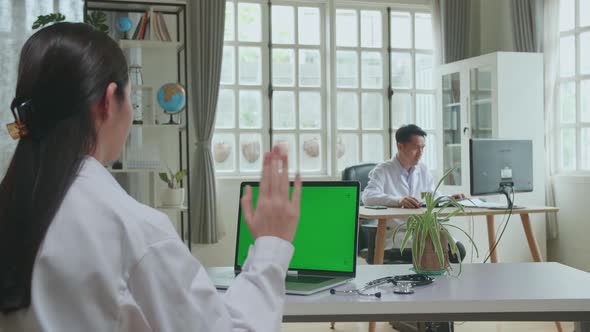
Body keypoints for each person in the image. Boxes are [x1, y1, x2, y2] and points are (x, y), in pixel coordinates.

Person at [0, 23, 302, 331]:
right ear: (107, 102)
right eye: (130, 97)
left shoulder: (15, 208)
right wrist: (270, 248)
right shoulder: (133, 231)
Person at [362, 124, 465, 264]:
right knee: (428, 253)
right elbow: (368, 197)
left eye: (423, 148)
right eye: (416, 147)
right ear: (400, 146)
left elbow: (431, 196)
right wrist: (398, 201)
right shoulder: (383, 170)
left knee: (458, 251)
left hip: (423, 232)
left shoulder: (422, 169)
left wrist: (448, 199)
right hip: (396, 235)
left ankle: (438, 283)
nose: (420, 152)